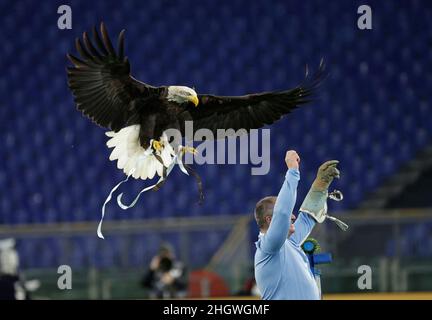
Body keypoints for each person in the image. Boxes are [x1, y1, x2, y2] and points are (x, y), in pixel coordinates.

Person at [254, 150, 340, 300]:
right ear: (269, 220)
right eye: (288, 215)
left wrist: (320, 187)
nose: (293, 216)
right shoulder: (269, 246)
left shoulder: (289, 242)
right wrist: (293, 171)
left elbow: (307, 217)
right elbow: (282, 213)